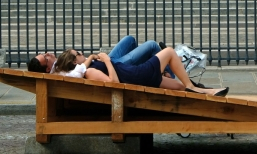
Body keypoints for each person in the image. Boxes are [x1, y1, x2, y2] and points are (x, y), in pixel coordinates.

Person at [53, 47, 228, 97]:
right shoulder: (89, 72)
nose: (82, 54)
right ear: (74, 61)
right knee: (168, 52)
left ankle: (209, 92)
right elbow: (114, 83)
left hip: (138, 77)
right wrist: (106, 60)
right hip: (138, 75)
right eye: (79, 54)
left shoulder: (90, 67)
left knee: (179, 87)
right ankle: (193, 86)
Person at [28, 35, 171, 76]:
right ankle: (167, 71)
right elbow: (79, 72)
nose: (47, 54)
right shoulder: (59, 73)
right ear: (47, 69)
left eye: (42, 54)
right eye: (45, 58)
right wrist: (90, 57)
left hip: (106, 62)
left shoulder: (58, 66)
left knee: (130, 39)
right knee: (152, 45)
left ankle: (156, 64)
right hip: (114, 67)